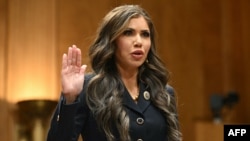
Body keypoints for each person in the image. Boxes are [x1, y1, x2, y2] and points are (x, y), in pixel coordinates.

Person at [47, 4, 182, 141]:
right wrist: (70, 99)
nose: (139, 42)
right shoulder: (88, 89)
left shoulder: (163, 93)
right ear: (111, 40)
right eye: (128, 33)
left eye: (145, 35)